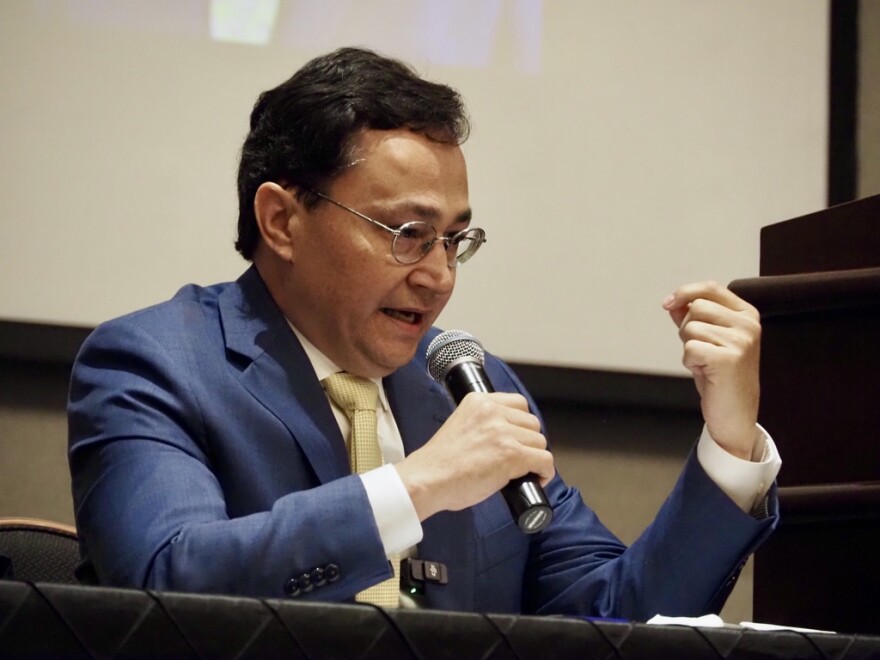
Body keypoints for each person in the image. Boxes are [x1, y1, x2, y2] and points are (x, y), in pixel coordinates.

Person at [68, 47, 780, 619]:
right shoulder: (153, 364)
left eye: (456, 240)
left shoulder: (474, 389)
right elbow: (159, 587)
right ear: (282, 221)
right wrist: (417, 487)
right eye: (409, 234)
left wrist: (729, 441)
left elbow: (617, 620)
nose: (439, 275)